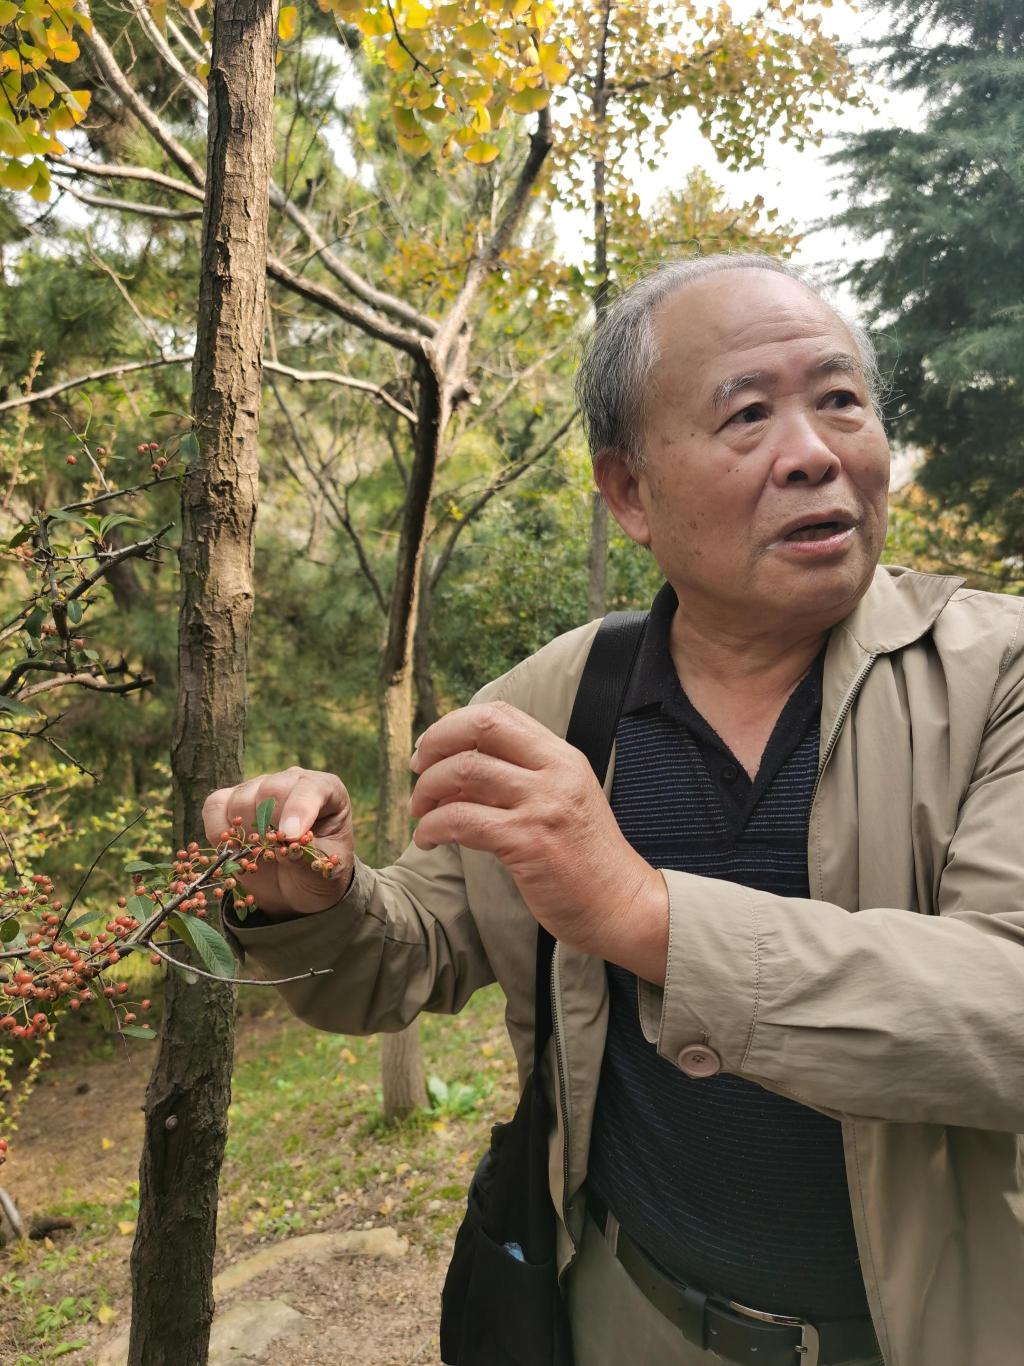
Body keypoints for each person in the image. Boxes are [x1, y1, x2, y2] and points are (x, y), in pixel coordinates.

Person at [204, 255, 1024, 1366]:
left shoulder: (994, 676)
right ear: (629, 492)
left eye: (840, 400)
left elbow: (1004, 1012)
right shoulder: (558, 704)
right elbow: (402, 960)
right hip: (628, 1313)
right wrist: (317, 899)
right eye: (746, 414)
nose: (815, 453)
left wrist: (645, 916)